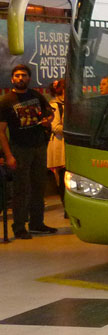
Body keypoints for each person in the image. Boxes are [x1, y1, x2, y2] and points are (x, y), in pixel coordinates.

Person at [0, 64, 57, 239]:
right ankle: (19, 227)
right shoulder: (6, 101)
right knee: (21, 189)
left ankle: (37, 223)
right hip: (20, 149)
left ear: (28, 78)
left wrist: (48, 120)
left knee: (38, 186)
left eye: (23, 75)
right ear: (12, 79)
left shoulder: (36, 95)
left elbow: (50, 113)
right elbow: (1, 131)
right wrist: (8, 155)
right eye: (17, 75)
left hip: (39, 146)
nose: (20, 78)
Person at [47, 79, 67, 217]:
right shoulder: (54, 105)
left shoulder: (70, 104)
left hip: (69, 145)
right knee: (62, 177)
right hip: (59, 146)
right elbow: (55, 128)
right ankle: (67, 207)